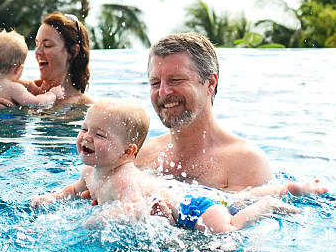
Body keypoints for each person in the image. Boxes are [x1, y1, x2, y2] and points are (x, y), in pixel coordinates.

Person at [30, 99, 327, 234]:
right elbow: (73, 189)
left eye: (99, 135)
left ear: (128, 152)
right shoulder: (89, 173)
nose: (86, 138)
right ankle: (289, 188)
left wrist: (96, 220)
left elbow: (133, 208)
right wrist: (53, 198)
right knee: (236, 199)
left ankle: (270, 204)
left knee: (226, 227)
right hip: (180, 194)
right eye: (84, 129)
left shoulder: (123, 179)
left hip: (191, 204)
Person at [135, 32, 273, 191]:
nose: (163, 92)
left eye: (176, 80)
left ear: (210, 83)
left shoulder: (244, 162)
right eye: (155, 83)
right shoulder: (140, 155)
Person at [0, 12, 93, 108]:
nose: (37, 52)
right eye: (36, 44)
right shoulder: (16, 88)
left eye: (47, 45)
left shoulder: (85, 106)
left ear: (73, 51)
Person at [0, 29, 63, 107]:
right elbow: (37, 102)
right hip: (9, 124)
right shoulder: (14, 88)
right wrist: (52, 94)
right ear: (18, 69)